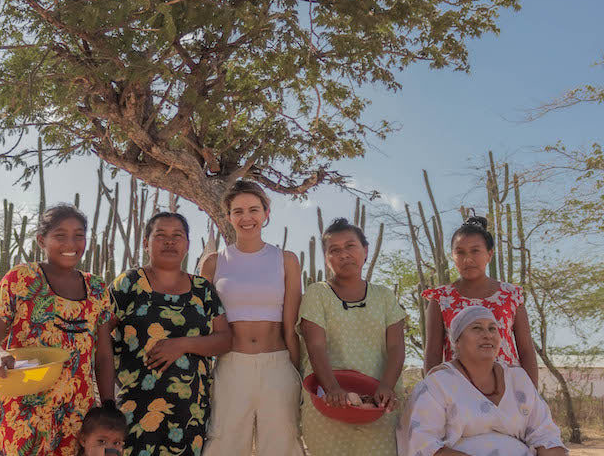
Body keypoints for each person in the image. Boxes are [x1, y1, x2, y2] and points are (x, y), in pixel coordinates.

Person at [0, 204, 115, 456]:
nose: (70, 243)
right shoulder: (21, 279)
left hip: (75, 412)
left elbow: (104, 354)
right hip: (20, 409)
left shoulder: (97, 288)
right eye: (60, 235)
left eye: (79, 235)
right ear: (42, 240)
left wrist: (108, 405)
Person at [106, 211, 231, 456]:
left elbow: (225, 339)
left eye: (177, 236)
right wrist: (109, 398)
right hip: (134, 409)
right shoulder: (129, 283)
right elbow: (100, 335)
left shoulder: (202, 289)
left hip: (190, 414)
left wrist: (182, 345)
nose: (169, 241)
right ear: (145, 243)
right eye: (160, 235)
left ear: (187, 245)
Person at [200, 180, 304, 456]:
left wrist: (300, 373)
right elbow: (202, 323)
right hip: (231, 366)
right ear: (228, 216)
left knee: (284, 444)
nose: (247, 218)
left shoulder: (287, 260)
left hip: (278, 366)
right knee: (223, 444)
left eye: (254, 210)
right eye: (238, 211)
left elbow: (292, 327)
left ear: (266, 213)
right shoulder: (213, 262)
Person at [298, 217, 406, 456]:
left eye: (350, 246)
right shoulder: (318, 294)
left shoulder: (385, 296)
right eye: (334, 250)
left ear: (365, 251)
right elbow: (315, 345)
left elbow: (397, 346)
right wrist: (332, 389)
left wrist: (386, 387)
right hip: (329, 404)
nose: (343, 254)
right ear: (326, 259)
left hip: (378, 406)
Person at [398, 305, 567, 456]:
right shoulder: (437, 384)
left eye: (493, 329)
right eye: (477, 328)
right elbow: (423, 444)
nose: (487, 335)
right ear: (457, 341)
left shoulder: (518, 379)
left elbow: (545, 434)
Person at [423, 215, 537, 385]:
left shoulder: (511, 295)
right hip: (458, 391)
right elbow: (432, 353)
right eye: (460, 252)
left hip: (509, 390)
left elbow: (526, 349)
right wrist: (433, 394)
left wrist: (532, 395)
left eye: (475, 251)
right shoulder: (441, 299)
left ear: (489, 254)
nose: (468, 259)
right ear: (452, 257)